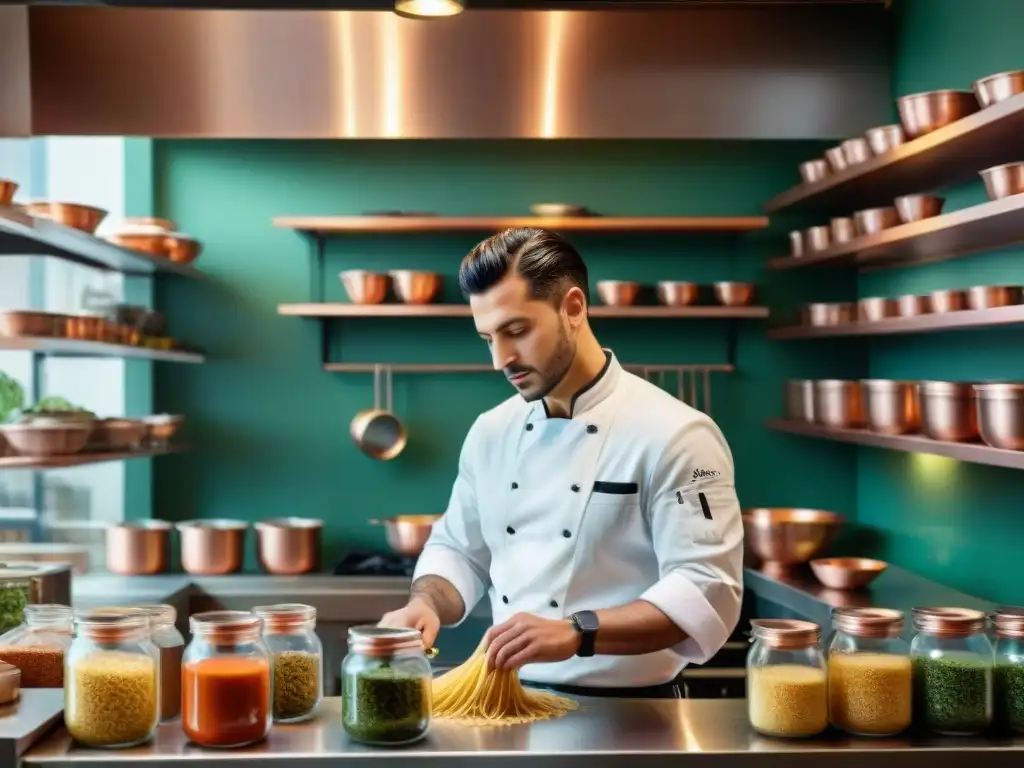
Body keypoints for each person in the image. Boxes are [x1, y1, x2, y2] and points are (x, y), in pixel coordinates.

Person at [378, 227, 744, 698]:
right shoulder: (491, 432)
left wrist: (577, 632)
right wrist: (424, 603)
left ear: (573, 308)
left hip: (636, 715)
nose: (500, 359)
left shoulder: (677, 434)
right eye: (487, 338)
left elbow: (707, 590)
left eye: (516, 331)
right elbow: (461, 551)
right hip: (509, 701)